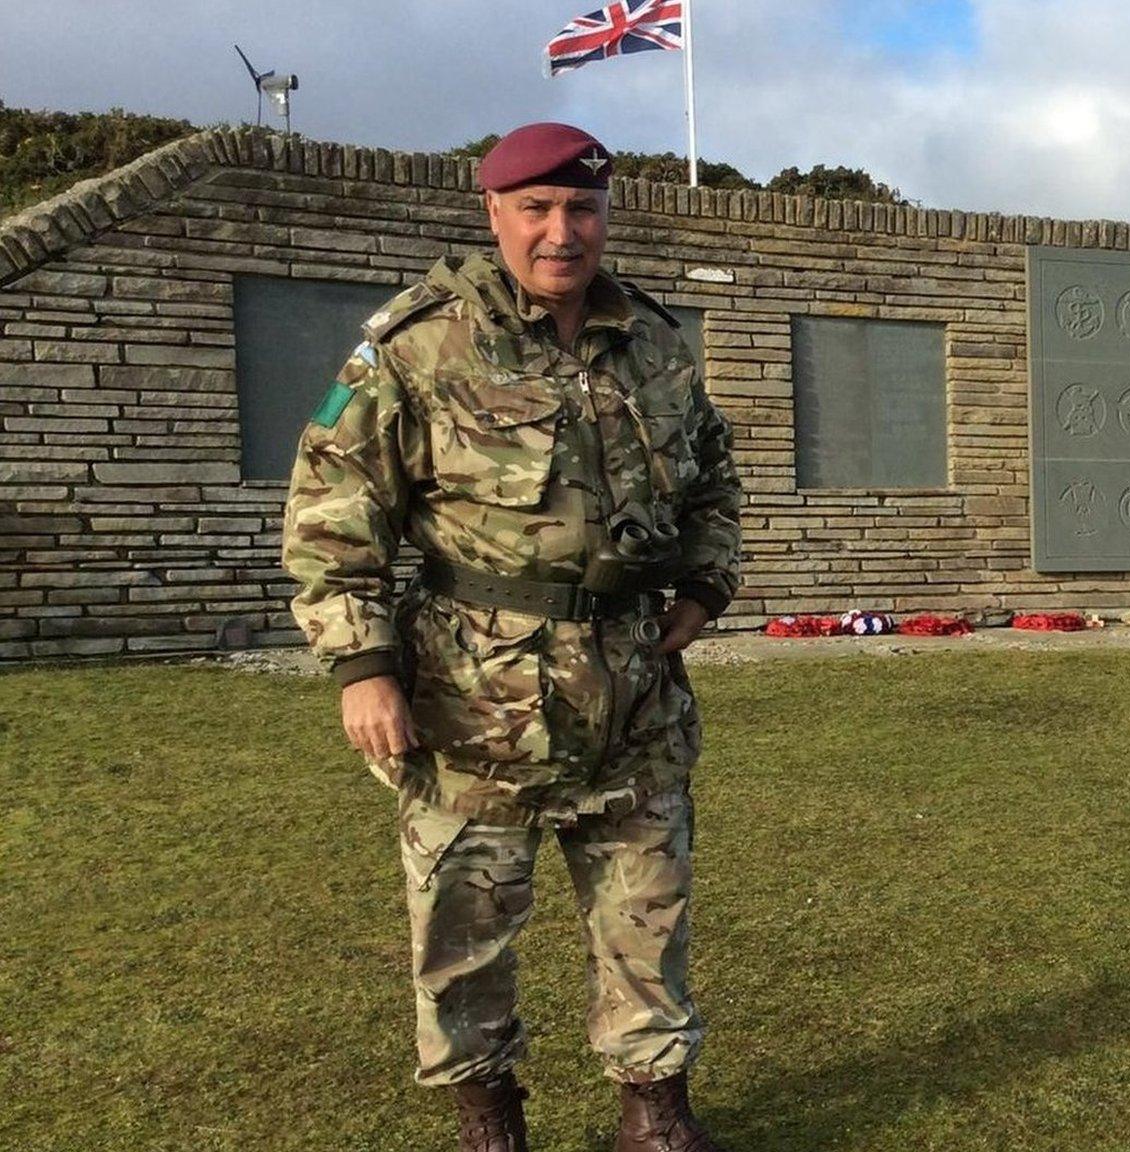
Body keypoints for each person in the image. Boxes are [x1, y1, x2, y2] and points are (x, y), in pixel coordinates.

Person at [281, 121, 742, 1152]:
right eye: (535, 209)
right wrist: (362, 667)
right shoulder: (416, 345)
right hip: (472, 694)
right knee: (465, 924)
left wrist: (705, 587)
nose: (560, 231)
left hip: (633, 689)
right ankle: (488, 1120)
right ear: (493, 214)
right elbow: (331, 507)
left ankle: (654, 1112)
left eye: (580, 208)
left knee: (647, 909)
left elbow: (713, 476)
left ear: (604, 214)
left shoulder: (655, 342)